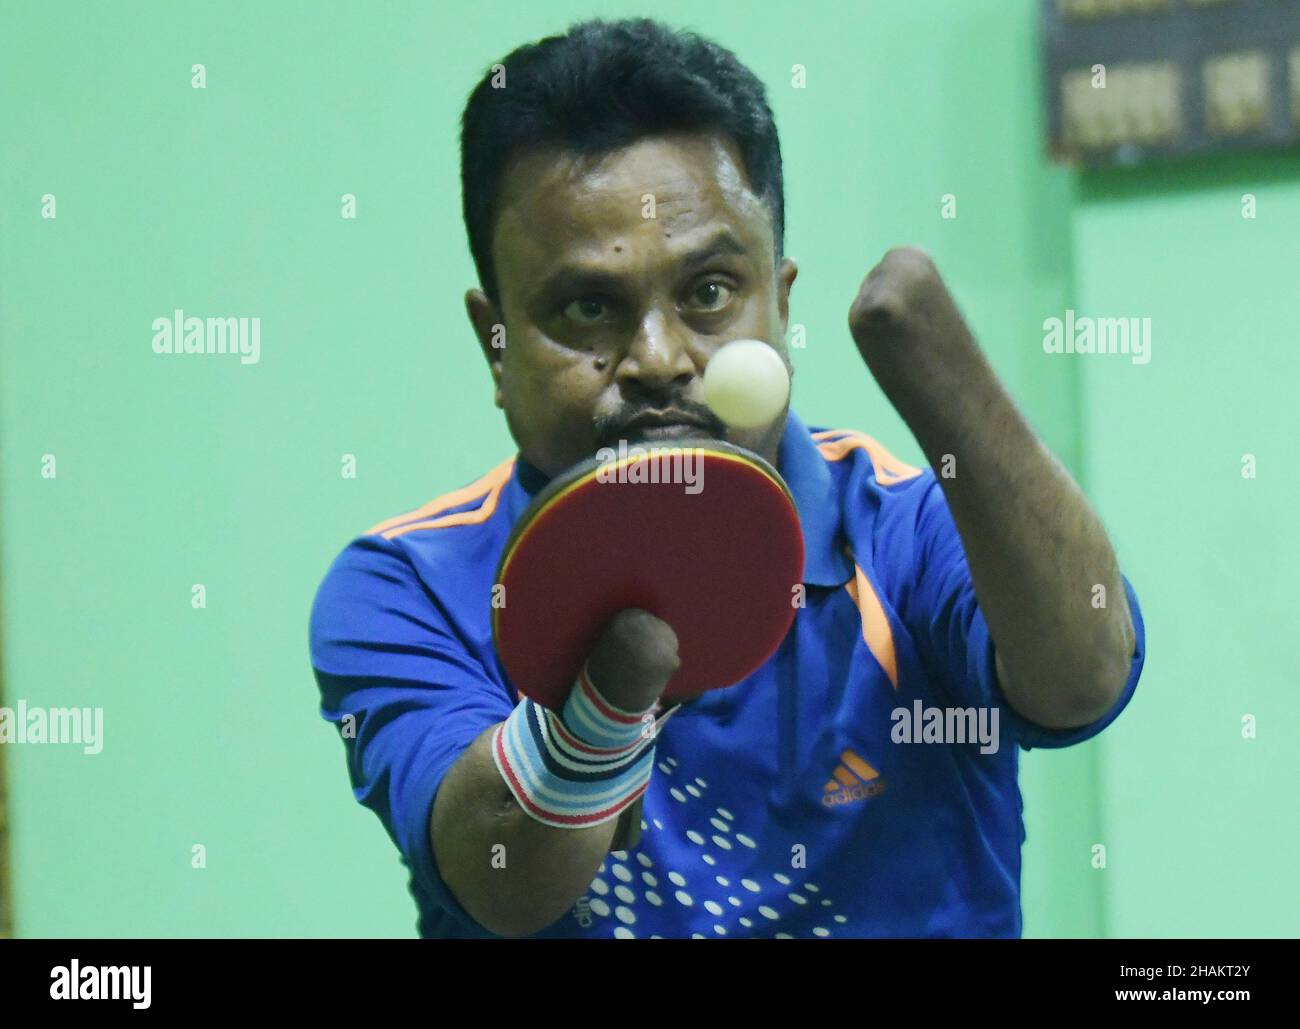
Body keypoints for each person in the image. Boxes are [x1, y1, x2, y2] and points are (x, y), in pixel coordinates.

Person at [309, 17, 1145, 939]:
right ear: (494, 342)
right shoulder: (404, 587)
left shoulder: (905, 524)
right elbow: (502, 870)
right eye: (588, 308)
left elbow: (1083, 679)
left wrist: (951, 390)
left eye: (708, 292)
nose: (660, 358)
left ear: (781, 303)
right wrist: (613, 688)